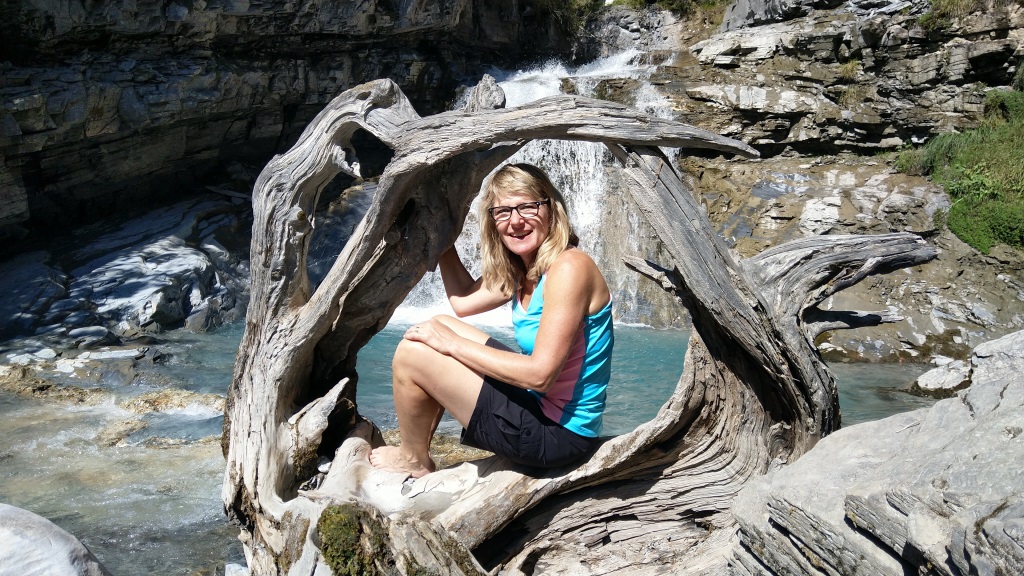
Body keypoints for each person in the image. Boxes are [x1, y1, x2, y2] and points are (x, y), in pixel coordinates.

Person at [369, 163, 614, 478]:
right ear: (493, 221)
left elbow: (540, 375)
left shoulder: (569, 268)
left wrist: (451, 346)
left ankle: (413, 459)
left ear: (551, 210)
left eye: (527, 206)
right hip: (539, 408)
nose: (516, 221)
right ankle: (419, 451)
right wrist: (442, 239)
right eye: (503, 211)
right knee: (439, 324)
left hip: (557, 436)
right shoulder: (524, 269)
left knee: (412, 353)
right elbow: (462, 301)